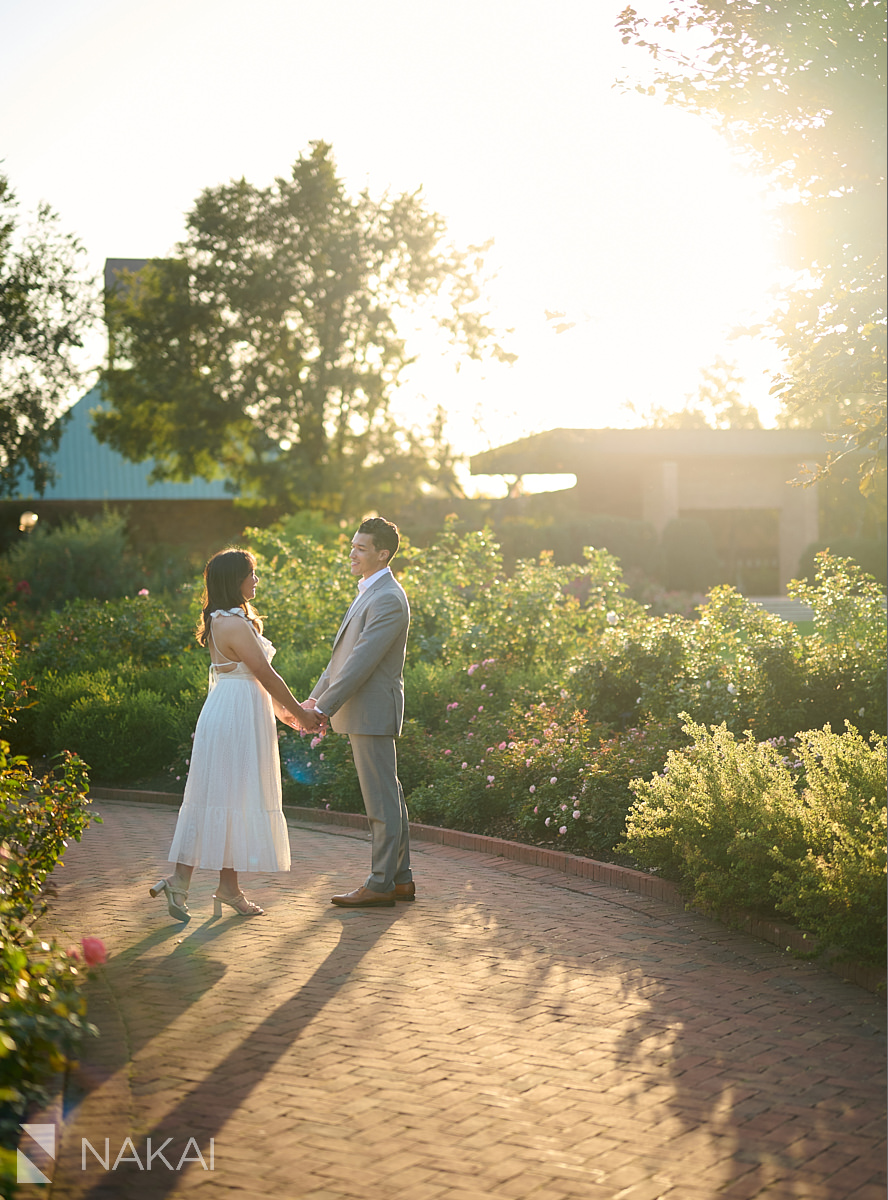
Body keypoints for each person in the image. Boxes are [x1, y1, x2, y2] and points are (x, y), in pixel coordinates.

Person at [150, 548, 320, 921]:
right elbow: (264, 674)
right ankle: (184, 880)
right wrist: (303, 715)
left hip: (239, 710)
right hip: (234, 718)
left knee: (231, 798)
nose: (256, 580)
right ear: (234, 580)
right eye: (252, 574)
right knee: (222, 796)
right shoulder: (231, 622)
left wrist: (284, 714)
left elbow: (249, 679)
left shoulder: (228, 619)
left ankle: (222, 887)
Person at [305, 517, 413, 907]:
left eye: (361, 548)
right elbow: (341, 660)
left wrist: (322, 707)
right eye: (352, 545)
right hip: (363, 712)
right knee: (389, 796)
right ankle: (399, 879)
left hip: (371, 712)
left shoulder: (386, 596)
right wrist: (313, 700)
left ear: (383, 554)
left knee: (381, 803)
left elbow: (361, 662)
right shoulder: (370, 591)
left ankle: (381, 884)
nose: (352, 552)